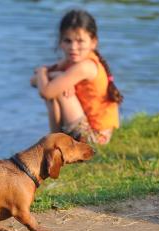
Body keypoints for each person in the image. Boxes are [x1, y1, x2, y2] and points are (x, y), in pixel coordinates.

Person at [31, 9, 123, 144]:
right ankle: (55, 142)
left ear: (93, 42)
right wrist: (55, 76)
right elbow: (33, 82)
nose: (73, 47)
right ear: (60, 42)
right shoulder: (71, 61)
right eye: (67, 41)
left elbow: (46, 92)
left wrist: (42, 72)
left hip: (95, 138)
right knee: (57, 85)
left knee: (59, 90)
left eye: (80, 41)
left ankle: (54, 143)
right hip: (86, 128)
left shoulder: (85, 66)